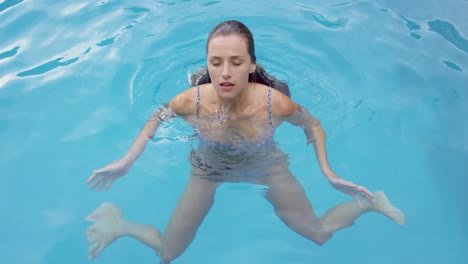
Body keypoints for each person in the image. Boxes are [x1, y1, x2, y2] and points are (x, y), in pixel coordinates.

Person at [85, 20, 405, 264]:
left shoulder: (273, 103)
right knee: (169, 252)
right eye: (216, 62)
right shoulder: (190, 100)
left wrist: (329, 173)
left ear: (251, 65)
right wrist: (127, 161)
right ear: (207, 63)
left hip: (265, 166)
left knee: (319, 235)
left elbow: (314, 125)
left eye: (236, 62)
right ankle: (120, 224)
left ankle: (373, 203)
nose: (224, 73)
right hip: (208, 169)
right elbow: (154, 121)